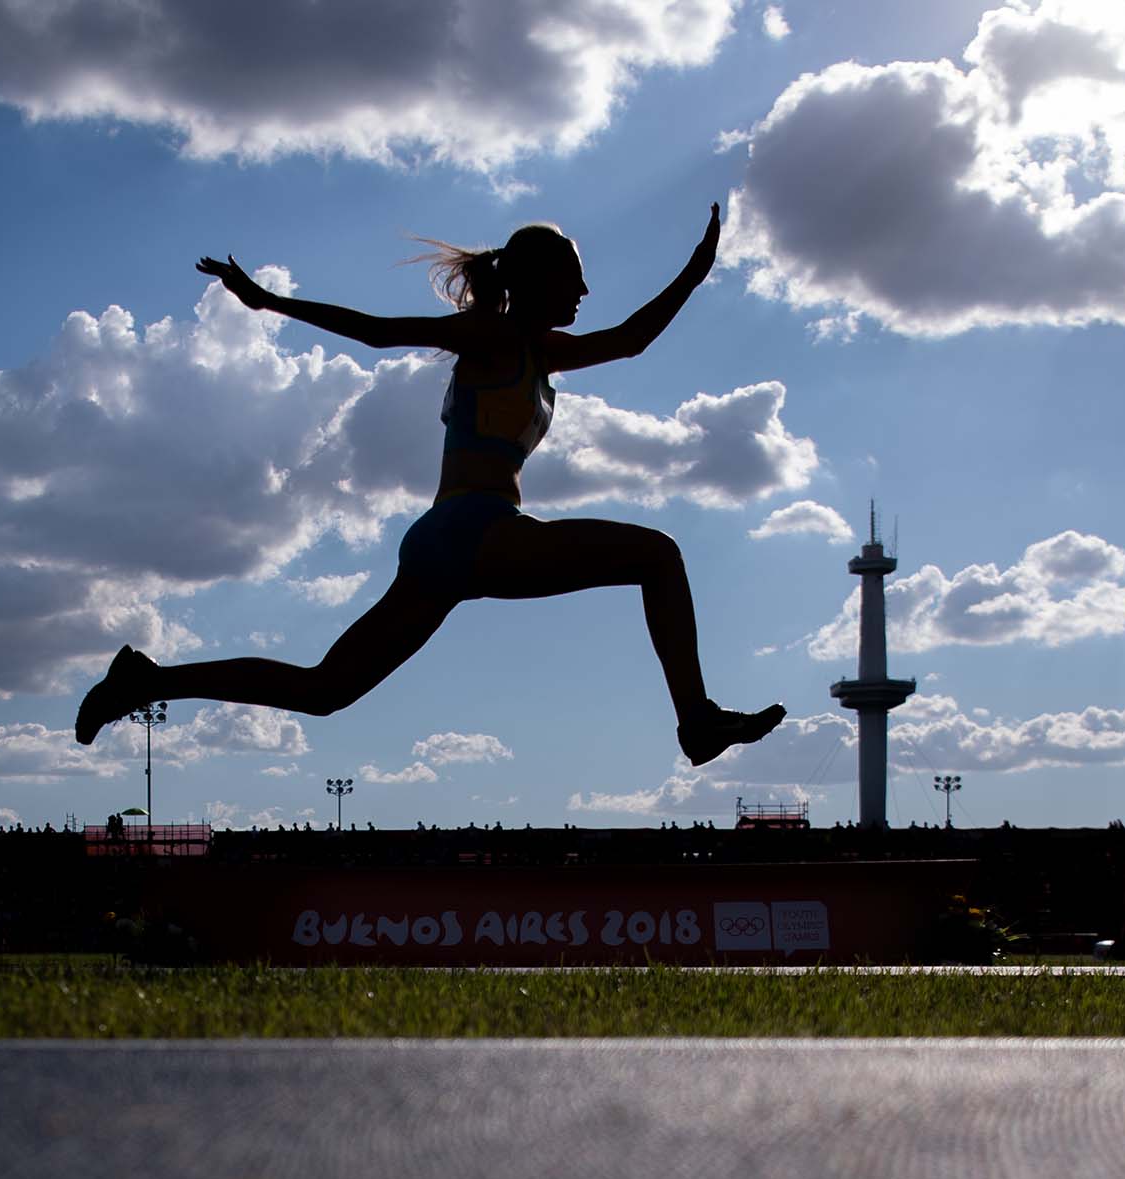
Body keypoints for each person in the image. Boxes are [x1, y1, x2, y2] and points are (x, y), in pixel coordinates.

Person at [76, 205, 784, 766]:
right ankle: (695, 720)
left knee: (325, 689)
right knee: (656, 554)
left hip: (446, 542)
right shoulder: (495, 337)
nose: (585, 292)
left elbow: (630, 338)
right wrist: (267, 303)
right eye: (573, 278)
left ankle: (147, 681)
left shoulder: (542, 353)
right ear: (534, 282)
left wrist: (695, 272)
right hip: (477, 530)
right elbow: (380, 333)